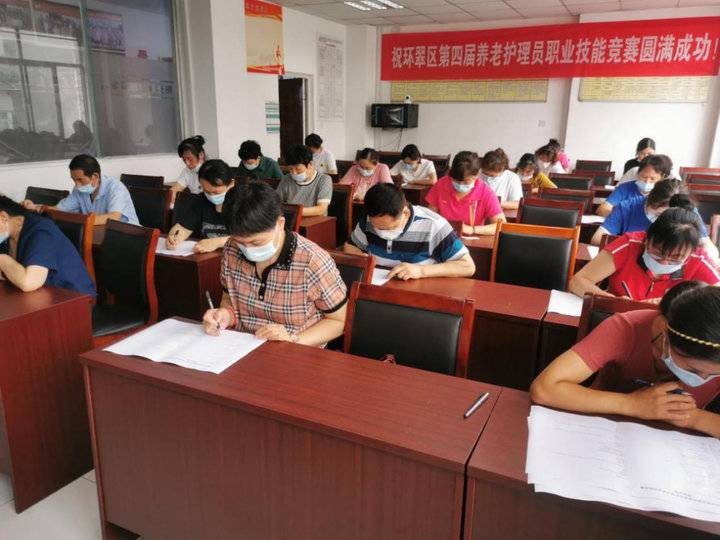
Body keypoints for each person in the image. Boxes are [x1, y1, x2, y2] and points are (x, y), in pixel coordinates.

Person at [531, 282, 720, 438]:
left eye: (715, 374)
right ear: (664, 334)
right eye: (693, 370)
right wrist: (633, 404)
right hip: (601, 429)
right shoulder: (625, 328)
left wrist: (694, 418)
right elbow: (545, 388)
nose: (703, 379)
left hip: (677, 445)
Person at [201, 182, 347, 346]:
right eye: (240, 242)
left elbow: (338, 321)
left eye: (256, 243)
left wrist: (293, 340)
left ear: (280, 224)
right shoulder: (231, 250)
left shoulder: (312, 261)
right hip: (244, 346)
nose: (247, 249)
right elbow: (229, 299)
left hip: (297, 348)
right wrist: (225, 316)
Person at [569, 207, 720, 302]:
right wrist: (613, 301)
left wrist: (672, 305)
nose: (664, 262)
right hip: (617, 319)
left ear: (690, 253)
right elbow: (578, 281)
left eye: (676, 258)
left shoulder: (698, 259)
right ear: (646, 239)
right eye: (658, 253)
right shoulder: (629, 244)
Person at [343, 183, 475, 279]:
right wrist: (360, 258)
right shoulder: (369, 219)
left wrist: (421, 271)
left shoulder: (433, 225)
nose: (380, 232)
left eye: (387, 228)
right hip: (377, 286)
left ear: (405, 213)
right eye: (376, 226)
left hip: (418, 293)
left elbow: (468, 266)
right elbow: (350, 246)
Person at [0, 195, 95, 295]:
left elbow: (29, 283)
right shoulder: (8, 233)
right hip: (36, 295)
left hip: (72, 296)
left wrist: (2, 259)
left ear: (3, 218)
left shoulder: (40, 231)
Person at [22, 154, 139, 225]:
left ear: (95, 176)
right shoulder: (79, 190)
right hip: (98, 234)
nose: (77, 185)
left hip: (129, 237)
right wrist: (35, 207)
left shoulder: (116, 188)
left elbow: (114, 217)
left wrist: (81, 221)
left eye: (80, 180)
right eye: (74, 180)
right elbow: (60, 209)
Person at [426, 151, 505, 236]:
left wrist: (472, 229)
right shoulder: (441, 184)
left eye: (466, 182)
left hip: (471, 239)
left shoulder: (485, 192)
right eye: (456, 181)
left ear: (477, 175)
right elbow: (429, 217)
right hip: (444, 236)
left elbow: (501, 226)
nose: (460, 185)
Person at [166, 159, 234, 253]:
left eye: (216, 192)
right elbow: (183, 228)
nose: (211, 196)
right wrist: (173, 237)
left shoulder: (244, 202)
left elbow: (252, 237)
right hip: (208, 256)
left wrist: (218, 242)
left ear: (231, 184)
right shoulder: (200, 200)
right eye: (207, 191)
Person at [596, 154, 672, 217]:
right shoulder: (625, 188)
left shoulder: (665, 194)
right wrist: (623, 217)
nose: (647, 181)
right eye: (644, 177)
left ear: (662, 178)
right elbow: (602, 210)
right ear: (638, 173)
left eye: (652, 179)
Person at [276, 144, 333, 217]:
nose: (294, 173)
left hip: (315, 221)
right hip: (291, 219)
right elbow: (275, 202)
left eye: (298, 169)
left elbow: (321, 209)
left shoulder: (324, 180)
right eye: (290, 169)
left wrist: (292, 212)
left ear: (310, 164)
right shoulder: (287, 179)